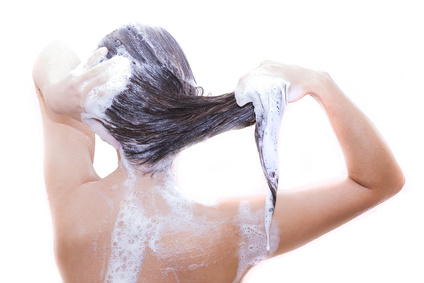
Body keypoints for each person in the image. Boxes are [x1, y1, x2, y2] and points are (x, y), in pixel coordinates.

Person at [32, 23, 404, 283]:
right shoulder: (231, 232)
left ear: (98, 116)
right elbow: (376, 182)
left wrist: (55, 91)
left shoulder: (73, 206)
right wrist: (320, 82)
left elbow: (53, 53)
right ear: (190, 97)